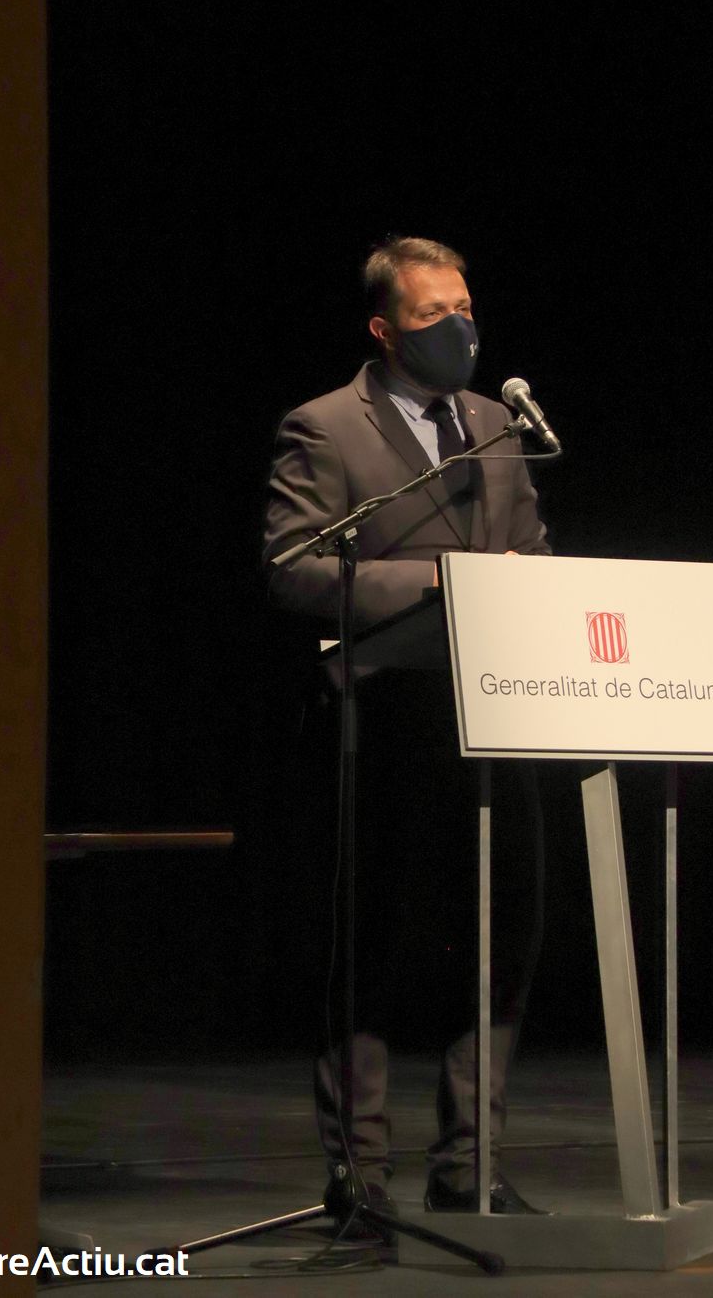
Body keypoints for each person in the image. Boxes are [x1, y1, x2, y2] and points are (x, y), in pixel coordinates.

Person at [263, 236, 551, 1220]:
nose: (459, 329)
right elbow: (295, 568)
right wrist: (443, 580)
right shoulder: (323, 425)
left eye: (465, 308)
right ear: (385, 330)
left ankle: (470, 1166)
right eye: (434, 316)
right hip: (382, 719)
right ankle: (362, 1180)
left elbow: (530, 551)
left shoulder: (498, 425)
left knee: (499, 942)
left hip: (496, 712)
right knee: (373, 949)